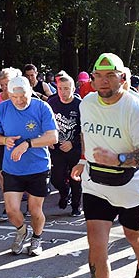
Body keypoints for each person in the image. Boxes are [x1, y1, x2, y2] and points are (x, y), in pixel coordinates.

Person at [71, 53, 139, 278]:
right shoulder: (86, 102)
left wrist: (120, 159)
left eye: (110, 75)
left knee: (133, 235)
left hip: (130, 184)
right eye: (98, 76)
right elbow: (86, 134)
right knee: (96, 244)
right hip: (95, 183)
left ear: (123, 77)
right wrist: (82, 159)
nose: (103, 81)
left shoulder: (135, 108)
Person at [0, 76, 58, 257]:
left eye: (22, 96)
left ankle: (36, 238)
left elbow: (52, 137)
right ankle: (21, 231)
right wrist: (4, 140)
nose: (18, 100)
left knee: (35, 210)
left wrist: (27, 144)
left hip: (38, 167)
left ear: (30, 92)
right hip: (12, 168)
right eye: (14, 97)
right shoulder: (3, 108)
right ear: (8, 94)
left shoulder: (42, 107)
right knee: (11, 210)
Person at [0, 67, 23, 222]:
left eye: (7, 84)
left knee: (21, 173)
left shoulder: (23, 96)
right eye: (1, 85)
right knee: (3, 173)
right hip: (3, 139)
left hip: (21, 140)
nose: (4, 88)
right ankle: (7, 205)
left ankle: (23, 202)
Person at [48, 74, 83, 216]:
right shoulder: (52, 102)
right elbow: (45, 122)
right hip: (56, 147)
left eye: (67, 89)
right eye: (60, 88)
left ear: (73, 89)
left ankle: (76, 206)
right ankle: (64, 192)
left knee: (75, 178)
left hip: (73, 147)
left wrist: (73, 143)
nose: (63, 92)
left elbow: (85, 129)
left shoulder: (80, 105)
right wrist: (49, 139)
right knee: (56, 178)